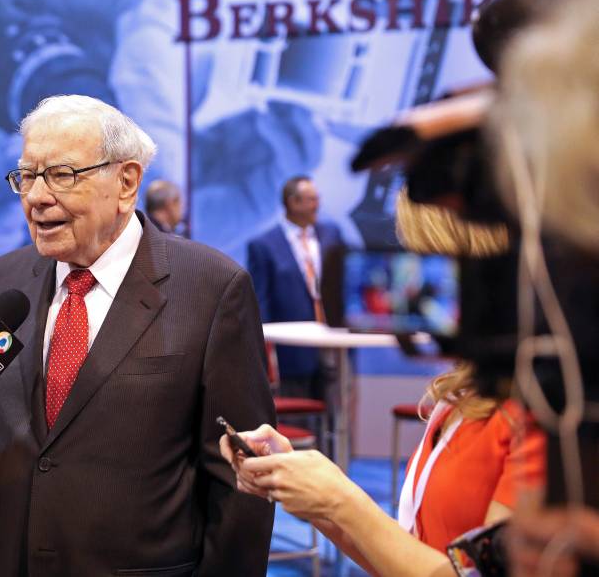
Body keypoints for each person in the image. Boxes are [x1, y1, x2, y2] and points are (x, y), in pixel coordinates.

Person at [0, 95, 275, 576]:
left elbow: (239, 485)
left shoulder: (213, 289)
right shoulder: (2, 279)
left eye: (62, 175)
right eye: (27, 176)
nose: (35, 196)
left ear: (127, 182)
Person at [221, 191, 546, 577]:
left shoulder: (538, 411)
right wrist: (316, 493)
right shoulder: (466, 394)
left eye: (416, 259)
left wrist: (339, 500)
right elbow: (407, 555)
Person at [246, 175, 344, 399]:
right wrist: (265, 352)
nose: (316, 205)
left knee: (335, 409)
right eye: (310, 199)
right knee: (297, 415)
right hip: (291, 351)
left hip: (333, 342)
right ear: (293, 202)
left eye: (317, 198)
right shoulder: (264, 245)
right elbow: (261, 300)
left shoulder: (331, 235)